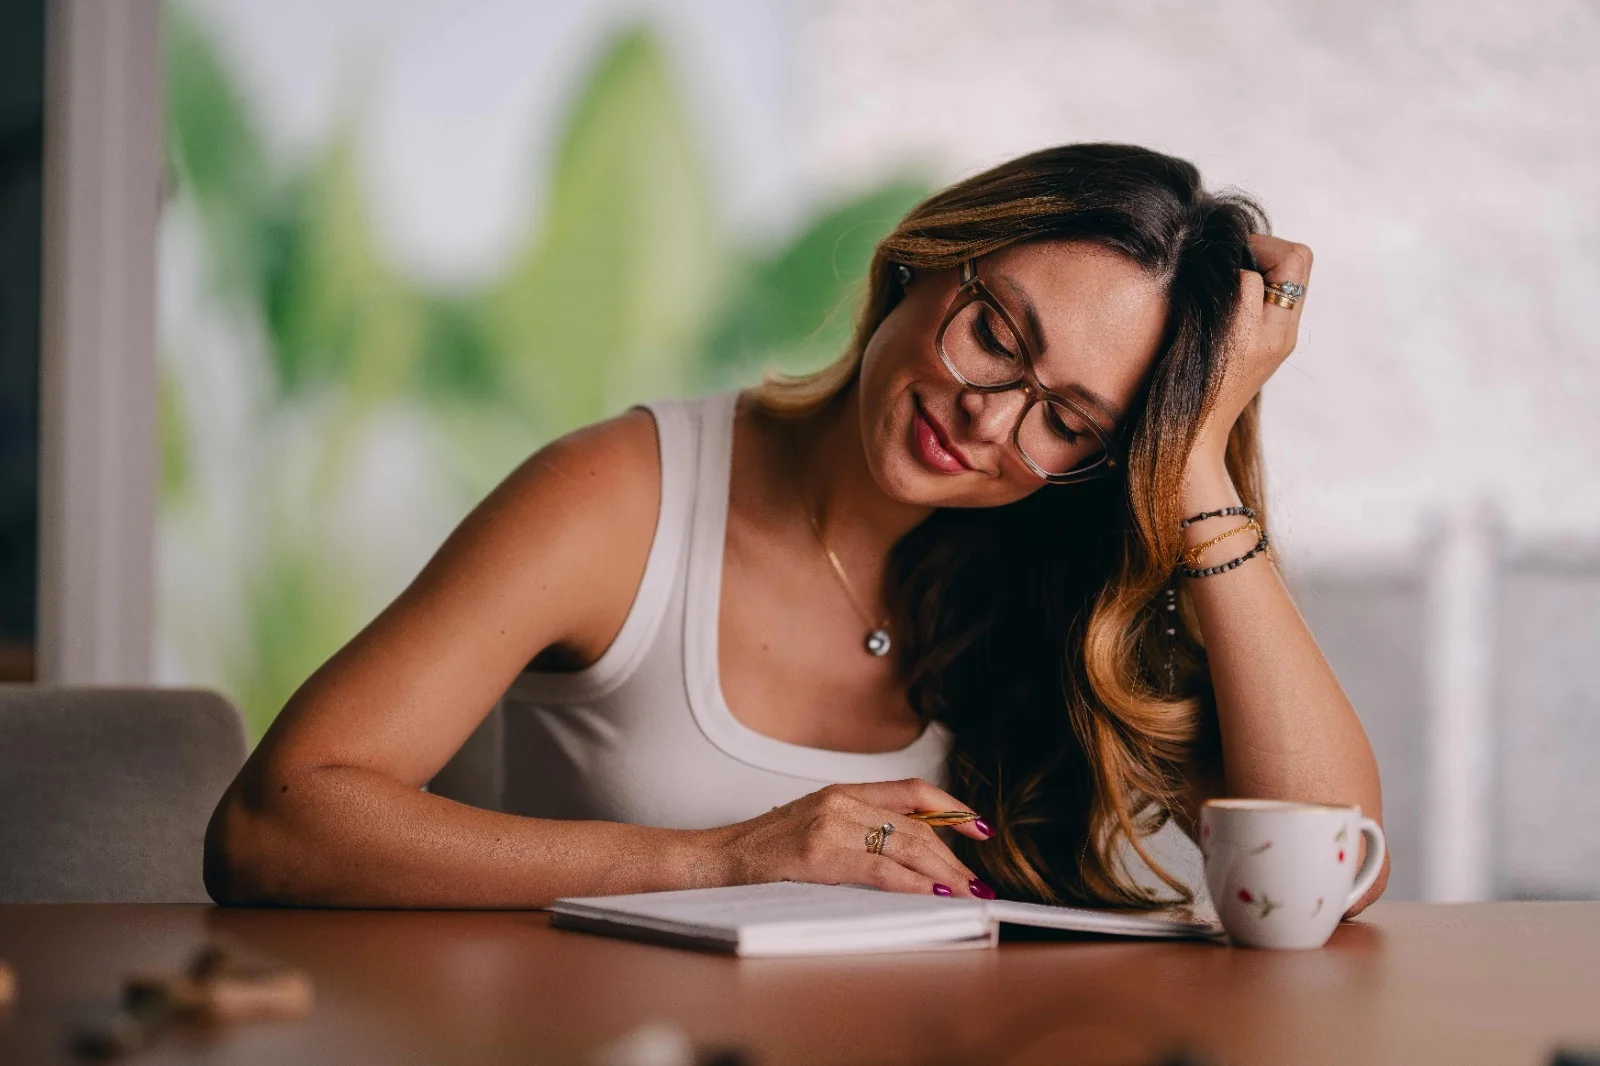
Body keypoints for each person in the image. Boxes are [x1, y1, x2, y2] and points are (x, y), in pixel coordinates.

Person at [204, 142, 1387, 913]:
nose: (986, 417)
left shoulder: (1051, 568)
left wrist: (1192, 469)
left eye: (1067, 420)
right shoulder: (617, 494)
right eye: (995, 335)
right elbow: (275, 821)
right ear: (925, 264)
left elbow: (1328, 867)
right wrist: (720, 856)